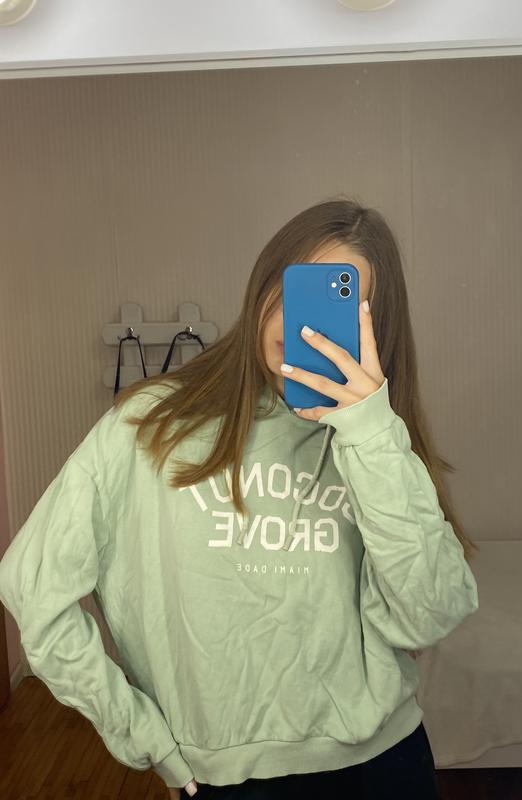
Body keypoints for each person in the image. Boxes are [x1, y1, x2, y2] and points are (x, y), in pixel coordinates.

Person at [0, 196, 479, 799]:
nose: (304, 323)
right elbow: (33, 588)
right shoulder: (148, 425)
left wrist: (372, 431)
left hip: (383, 763)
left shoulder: (379, 443)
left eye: (337, 302)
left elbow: (431, 613)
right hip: (225, 778)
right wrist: (141, 733)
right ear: (262, 285)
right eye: (293, 287)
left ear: (373, 326)